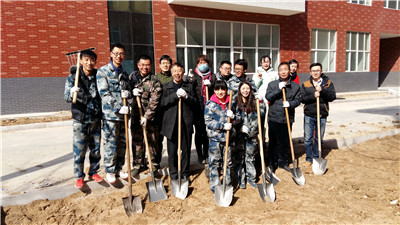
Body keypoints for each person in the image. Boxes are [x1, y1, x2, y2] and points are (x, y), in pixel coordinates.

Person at [64, 50, 103, 188]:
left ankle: (93, 171)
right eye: (86, 60)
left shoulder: (98, 76)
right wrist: (71, 92)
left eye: (92, 60)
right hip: (80, 119)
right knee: (79, 149)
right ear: (81, 61)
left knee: (96, 148)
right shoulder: (73, 77)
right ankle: (79, 176)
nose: (89, 62)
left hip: (95, 118)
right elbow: (66, 97)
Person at [96, 43, 131, 183]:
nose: (118, 56)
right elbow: (104, 93)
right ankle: (109, 170)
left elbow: (126, 93)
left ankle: (118, 168)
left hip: (123, 115)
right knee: (111, 143)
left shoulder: (124, 73)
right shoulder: (103, 71)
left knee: (122, 143)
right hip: (111, 115)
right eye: (116, 53)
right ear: (111, 54)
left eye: (121, 54)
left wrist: (128, 99)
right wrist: (117, 107)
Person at [160, 62, 197, 182]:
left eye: (179, 71)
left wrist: (187, 97)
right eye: (175, 71)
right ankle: (174, 174)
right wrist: (175, 96)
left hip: (185, 123)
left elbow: (195, 102)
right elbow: (162, 103)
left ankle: (185, 173)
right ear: (171, 73)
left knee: (185, 151)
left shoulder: (189, 87)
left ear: (183, 72)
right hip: (171, 124)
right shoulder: (166, 87)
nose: (177, 73)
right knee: (172, 152)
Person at [129, 55, 163, 176]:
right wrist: (129, 95)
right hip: (135, 115)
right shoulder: (132, 78)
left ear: (151, 66)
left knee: (152, 141)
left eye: (147, 65)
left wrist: (147, 117)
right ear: (138, 65)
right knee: (137, 141)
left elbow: (155, 101)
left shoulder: (155, 81)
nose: (145, 67)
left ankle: (153, 165)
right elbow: (126, 92)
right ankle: (138, 165)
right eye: (142, 65)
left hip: (150, 118)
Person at [266, 62, 301, 172]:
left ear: (289, 71)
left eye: (285, 69)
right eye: (281, 70)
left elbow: (298, 100)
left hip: (287, 118)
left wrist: (290, 104)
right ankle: (272, 163)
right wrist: (278, 89)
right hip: (274, 118)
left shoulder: (295, 86)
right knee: (273, 142)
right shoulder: (272, 84)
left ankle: (283, 162)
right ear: (278, 72)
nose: (283, 72)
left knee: (284, 141)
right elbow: (268, 97)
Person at [300, 62, 336, 166]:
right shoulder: (305, 84)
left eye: (317, 70)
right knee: (308, 138)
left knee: (319, 138)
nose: (315, 73)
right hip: (309, 115)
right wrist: (313, 96)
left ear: (321, 71)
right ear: (310, 72)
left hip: (322, 115)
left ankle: (316, 157)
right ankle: (309, 158)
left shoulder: (328, 83)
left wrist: (322, 91)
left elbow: (332, 97)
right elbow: (302, 99)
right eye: (313, 71)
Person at [204, 80, 236, 192]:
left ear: (226, 90)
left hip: (228, 138)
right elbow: (208, 121)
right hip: (215, 139)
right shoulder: (210, 104)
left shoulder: (231, 102)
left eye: (223, 89)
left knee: (228, 162)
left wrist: (234, 117)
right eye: (217, 89)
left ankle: (227, 184)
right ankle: (215, 186)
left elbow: (239, 118)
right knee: (214, 162)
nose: (220, 92)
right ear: (214, 91)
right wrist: (222, 126)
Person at [185, 55, 217, 164]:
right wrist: (190, 80)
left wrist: (211, 85)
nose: (202, 65)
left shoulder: (212, 76)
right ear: (197, 64)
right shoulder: (193, 75)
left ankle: (207, 153)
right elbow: (190, 90)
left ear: (208, 64)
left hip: (209, 108)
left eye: (204, 62)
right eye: (200, 63)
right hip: (197, 108)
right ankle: (200, 154)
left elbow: (216, 90)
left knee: (207, 132)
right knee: (199, 132)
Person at [233, 80, 265, 189]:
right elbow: (232, 117)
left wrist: (260, 102)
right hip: (239, 136)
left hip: (251, 136)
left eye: (247, 88)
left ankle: (251, 178)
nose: (245, 91)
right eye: (243, 89)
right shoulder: (235, 102)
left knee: (250, 158)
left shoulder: (254, 102)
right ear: (240, 90)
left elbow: (262, 113)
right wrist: (239, 126)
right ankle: (240, 179)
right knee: (239, 158)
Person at [155, 55, 173, 167]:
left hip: (170, 112)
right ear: (160, 65)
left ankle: (173, 161)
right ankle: (156, 161)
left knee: (171, 138)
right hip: (158, 112)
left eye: (167, 63)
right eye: (163, 63)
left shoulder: (174, 77)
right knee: (157, 139)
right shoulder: (155, 78)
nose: (165, 65)